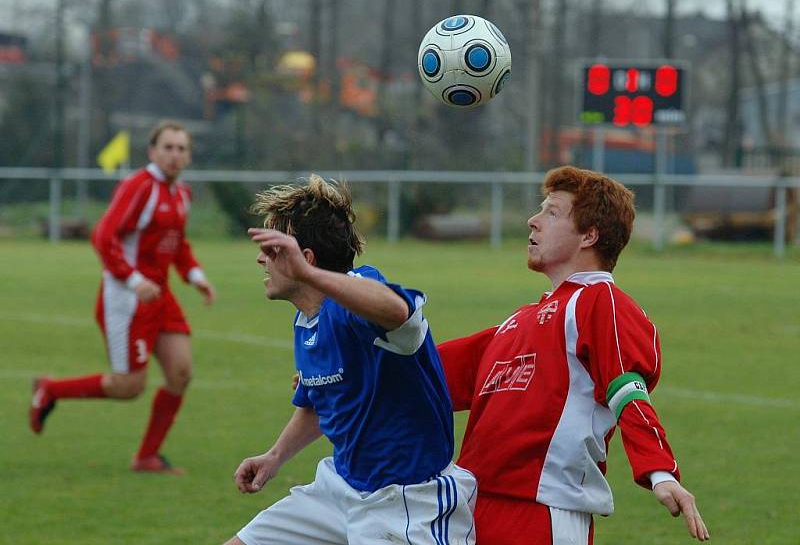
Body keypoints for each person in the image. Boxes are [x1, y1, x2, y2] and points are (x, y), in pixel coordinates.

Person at [437, 166, 710, 544]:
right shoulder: (519, 321)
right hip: (473, 507)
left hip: (543, 513)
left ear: (589, 235)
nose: (533, 221)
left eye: (551, 212)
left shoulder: (601, 302)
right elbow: (426, 375)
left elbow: (626, 387)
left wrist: (659, 471)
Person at [225, 175, 476, 545]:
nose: (261, 257)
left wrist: (312, 276)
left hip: (405, 503)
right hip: (341, 488)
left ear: (304, 259)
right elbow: (317, 401)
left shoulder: (357, 298)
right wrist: (275, 456)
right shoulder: (307, 319)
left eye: (274, 249)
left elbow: (398, 311)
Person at [29, 121, 216, 474]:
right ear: (152, 151)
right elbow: (103, 236)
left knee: (180, 372)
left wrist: (196, 277)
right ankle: (50, 389)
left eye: (181, 149)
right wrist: (133, 281)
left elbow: (177, 245)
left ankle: (147, 456)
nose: (175, 155)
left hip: (160, 296)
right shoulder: (139, 187)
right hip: (127, 300)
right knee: (129, 386)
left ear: (189, 155)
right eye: (168, 147)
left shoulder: (182, 195)